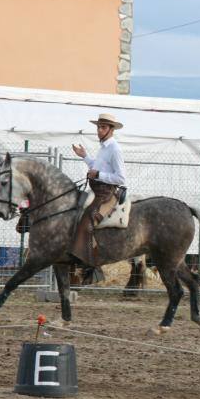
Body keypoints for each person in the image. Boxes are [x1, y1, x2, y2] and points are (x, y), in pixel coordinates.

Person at [70, 113, 127, 276]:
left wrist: (99, 176)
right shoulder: (104, 148)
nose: (99, 130)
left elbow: (120, 177)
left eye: (103, 127)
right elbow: (96, 167)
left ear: (111, 130)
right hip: (97, 191)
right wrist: (85, 157)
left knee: (87, 219)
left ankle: (91, 265)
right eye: (98, 127)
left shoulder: (115, 149)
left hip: (107, 193)